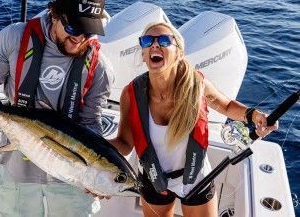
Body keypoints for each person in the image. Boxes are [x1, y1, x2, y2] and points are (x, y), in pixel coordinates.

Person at [0, 0, 114, 217]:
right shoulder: (13, 38)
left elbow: (91, 125)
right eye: (73, 29)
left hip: (72, 181)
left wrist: (99, 176)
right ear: (54, 14)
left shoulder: (100, 68)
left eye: (88, 31)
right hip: (17, 173)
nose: (79, 39)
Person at [109, 21, 278, 217]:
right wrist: (92, 151)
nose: (155, 45)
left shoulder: (196, 84)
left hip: (195, 176)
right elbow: (124, 143)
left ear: (179, 53)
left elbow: (226, 106)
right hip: (152, 176)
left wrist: (254, 116)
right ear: (143, 54)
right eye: (147, 41)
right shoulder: (130, 94)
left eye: (164, 40)